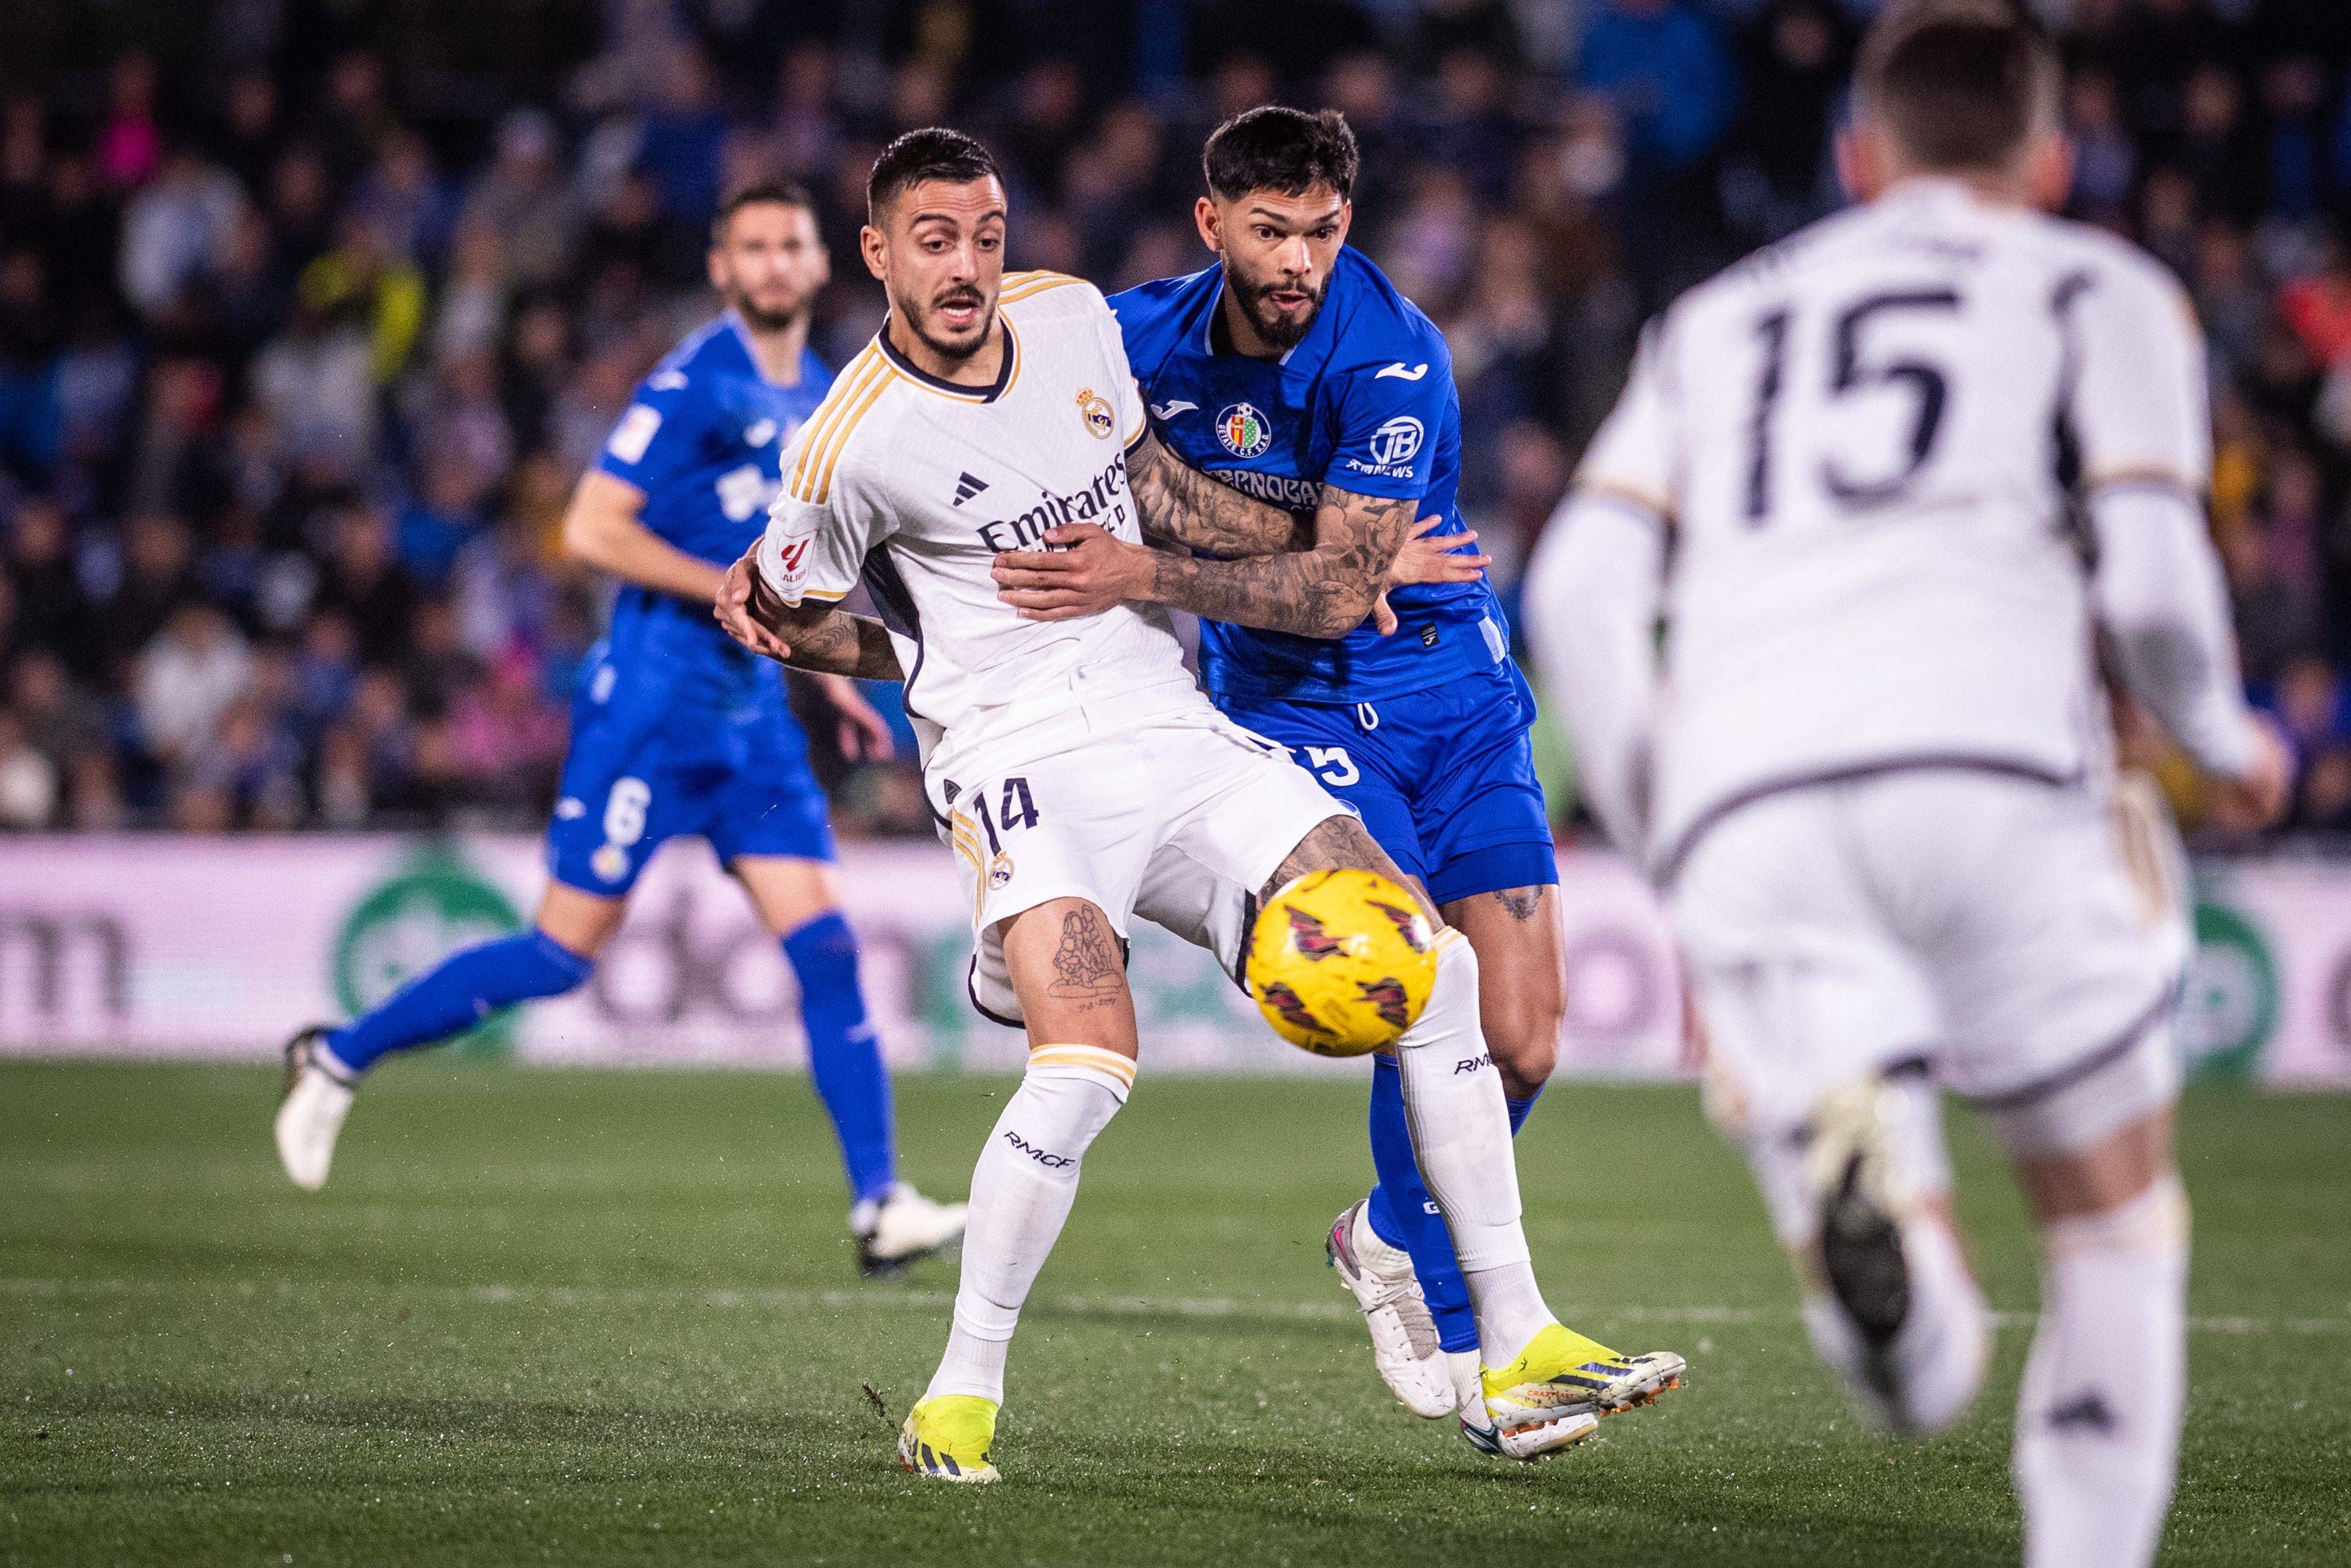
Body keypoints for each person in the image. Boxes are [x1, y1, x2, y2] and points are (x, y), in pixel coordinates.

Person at [715, 127, 1682, 1483]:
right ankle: (958, 1394)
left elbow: (1162, 488)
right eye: (935, 240)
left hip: (1171, 722)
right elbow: (779, 611)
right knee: (1090, 1063)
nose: (970, 266)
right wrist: (927, 655)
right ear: (877, 254)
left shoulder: (1067, 325)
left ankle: (1515, 1334)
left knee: (1436, 967)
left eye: (987, 234)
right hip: (1022, 764)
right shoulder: (847, 445)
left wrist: (1339, 545)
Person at [1523, 5, 2291, 1565]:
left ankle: (1891, 1260)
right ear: (2053, 156)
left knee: (1917, 1376)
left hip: (1754, 801)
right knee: (2112, 1230)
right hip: (1994, 765)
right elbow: (2151, 583)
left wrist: (1680, 828)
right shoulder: (2105, 286)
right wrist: (2226, 738)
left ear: (1859, 159)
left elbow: (1579, 590)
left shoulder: (1724, 316)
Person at [980, 107, 1630, 1452]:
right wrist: (1269, 535)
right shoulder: (1125, 336)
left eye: (1324, 230)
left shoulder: (1393, 351)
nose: (1299, 259)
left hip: (1454, 698)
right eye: (1270, 230)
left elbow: (1338, 590)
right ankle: (1484, 1342)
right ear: (1212, 222)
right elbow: (1048, 453)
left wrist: (1162, 540)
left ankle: (1384, 1233)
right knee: (1414, 965)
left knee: (1527, 1041)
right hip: (1295, 710)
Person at [275, 183, 969, 1276]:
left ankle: (880, 1204)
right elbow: (590, 526)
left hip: (750, 725)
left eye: (792, 243)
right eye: (755, 247)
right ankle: (338, 1055)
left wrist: (821, 668)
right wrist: (736, 589)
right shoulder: (696, 379)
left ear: (825, 260)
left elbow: (801, 557)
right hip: (649, 717)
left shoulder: (827, 390)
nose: (778, 262)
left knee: (829, 950)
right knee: (559, 959)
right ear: (722, 264)